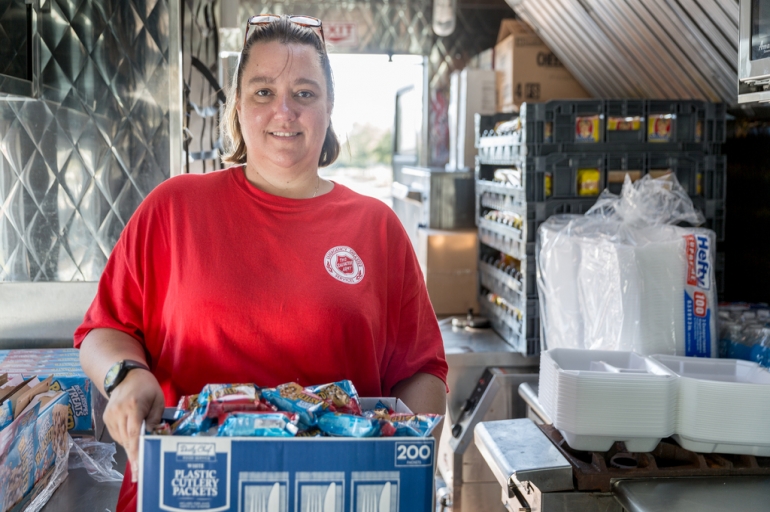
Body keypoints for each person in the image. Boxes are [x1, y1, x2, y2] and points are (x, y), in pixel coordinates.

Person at [74, 14, 448, 512]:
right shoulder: (173, 208)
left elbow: (422, 373)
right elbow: (103, 330)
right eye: (264, 92)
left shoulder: (376, 228)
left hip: (336, 496)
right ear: (238, 107)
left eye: (305, 93)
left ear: (329, 107)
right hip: (182, 492)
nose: (285, 111)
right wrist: (127, 376)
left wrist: (407, 473)